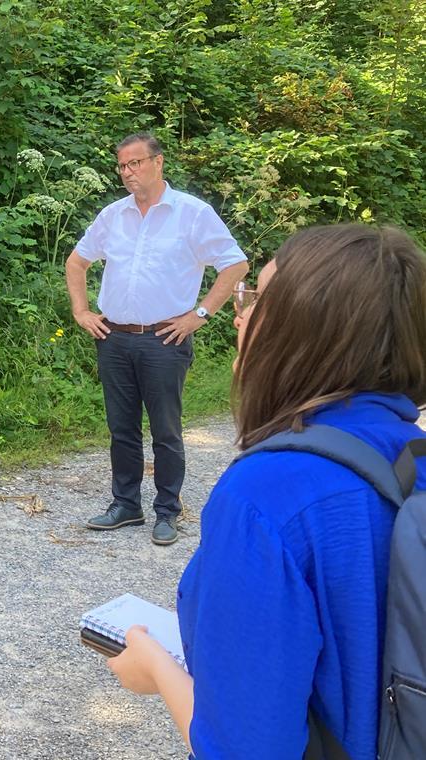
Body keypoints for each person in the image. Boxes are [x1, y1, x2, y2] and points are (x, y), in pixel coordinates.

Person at [107, 224, 426, 758]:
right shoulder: (412, 454)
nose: (239, 314)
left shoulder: (265, 496)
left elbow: (243, 749)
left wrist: (154, 667)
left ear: (302, 329)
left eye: (255, 299)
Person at [65, 132, 248, 545]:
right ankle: (126, 504)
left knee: (166, 430)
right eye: (122, 166)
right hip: (114, 336)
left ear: (158, 162)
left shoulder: (191, 214)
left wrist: (199, 315)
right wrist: (81, 312)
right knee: (121, 427)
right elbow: (76, 262)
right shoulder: (113, 215)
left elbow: (235, 264)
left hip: (165, 339)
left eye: (135, 163)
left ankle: (168, 509)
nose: (128, 172)